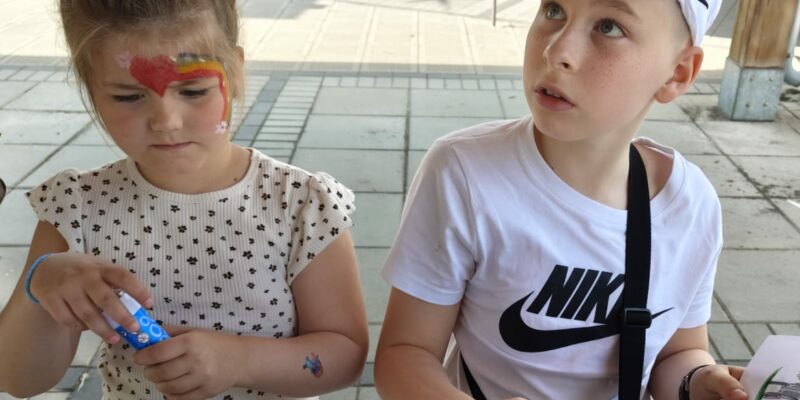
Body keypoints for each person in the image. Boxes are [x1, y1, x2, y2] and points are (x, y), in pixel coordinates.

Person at [375, 0, 748, 399]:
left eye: (609, 27)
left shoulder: (690, 206)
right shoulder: (465, 173)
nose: (557, 50)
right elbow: (404, 353)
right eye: (554, 10)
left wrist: (698, 381)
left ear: (677, 72)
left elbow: (677, 352)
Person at [0, 1, 368, 399]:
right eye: (128, 97)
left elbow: (344, 356)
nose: (166, 121)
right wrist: (42, 283)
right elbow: (18, 380)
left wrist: (241, 361)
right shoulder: (75, 207)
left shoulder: (301, 204)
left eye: (194, 91)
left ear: (235, 72)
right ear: (90, 88)